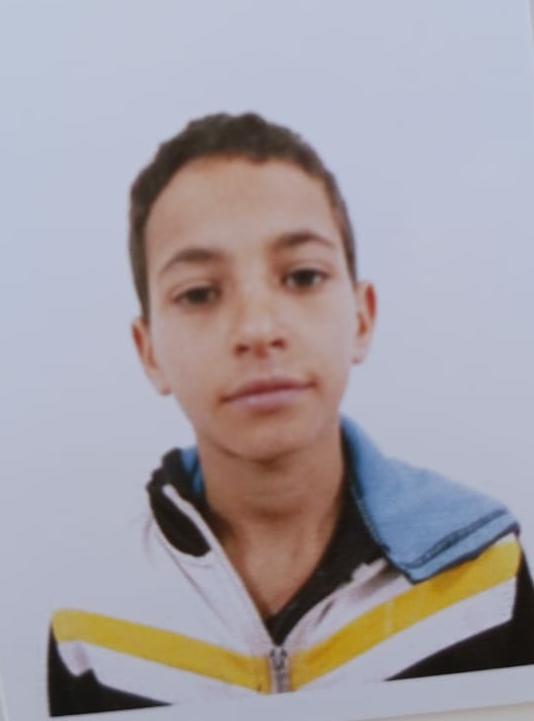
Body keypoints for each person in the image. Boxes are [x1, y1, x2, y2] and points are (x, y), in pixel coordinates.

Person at [47, 113, 534, 716]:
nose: (257, 329)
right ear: (149, 352)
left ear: (362, 317)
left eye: (303, 276)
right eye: (198, 293)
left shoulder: (483, 574)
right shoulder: (92, 621)